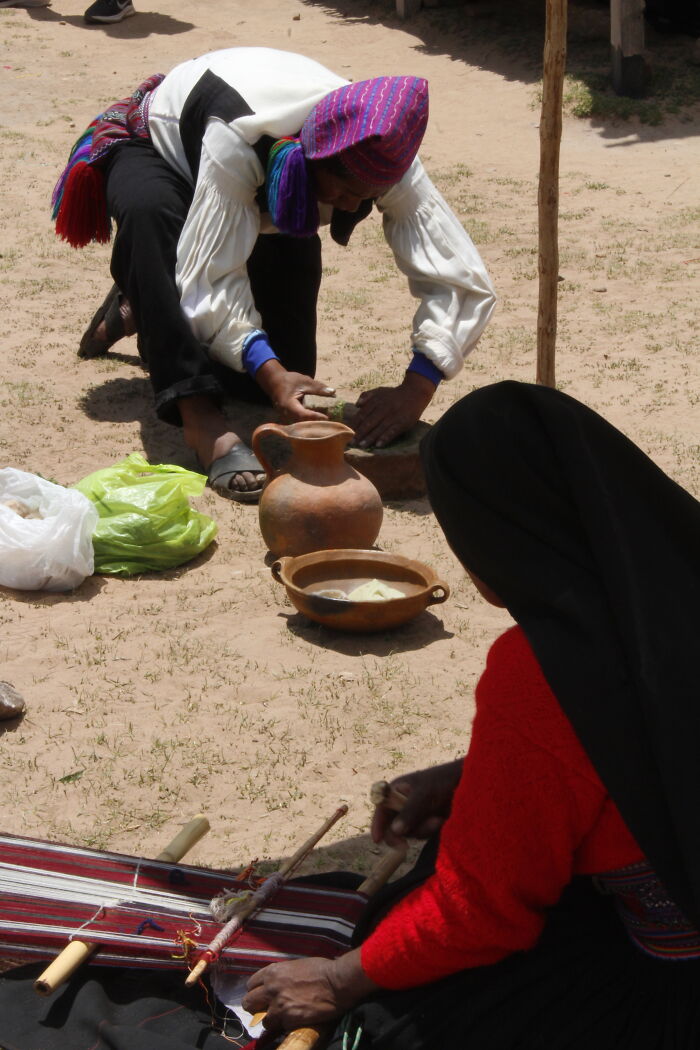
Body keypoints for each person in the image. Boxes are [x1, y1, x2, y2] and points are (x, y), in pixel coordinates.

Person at [240, 380, 700, 1049]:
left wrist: (337, 980)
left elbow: (483, 910)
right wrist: (474, 774)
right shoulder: (676, 582)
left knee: (395, 1022)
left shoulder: (547, 671)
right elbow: (651, 726)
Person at [51, 48, 495, 502]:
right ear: (311, 155)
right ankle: (200, 419)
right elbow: (210, 276)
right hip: (161, 152)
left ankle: (147, 295)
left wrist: (416, 388)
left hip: (260, 190)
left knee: (271, 376)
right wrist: (268, 370)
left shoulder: (384, 150)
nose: (348, 207)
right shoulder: (239, 137)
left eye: (366, 198)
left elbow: (459, 277)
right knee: (154, 219)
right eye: (344, 191)